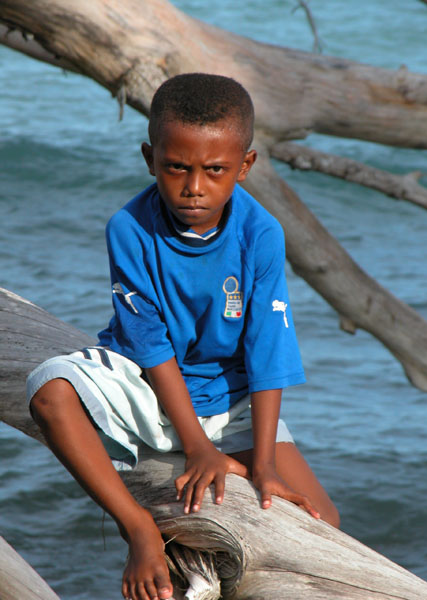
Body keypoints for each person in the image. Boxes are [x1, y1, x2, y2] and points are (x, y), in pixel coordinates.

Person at [28, 73, 339, 600]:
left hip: (229, 398)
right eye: (177, 167)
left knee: (324, 522)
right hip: (150, 385)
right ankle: (138, 528)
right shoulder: (129, 228)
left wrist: (263, 466)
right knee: (48, 392)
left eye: (215, 170)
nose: (195, 186)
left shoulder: (260, 233)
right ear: (150, 158)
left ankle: (228, 481)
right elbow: (150, 346)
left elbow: (267, 350)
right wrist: (197, 448)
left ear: (245, 166)